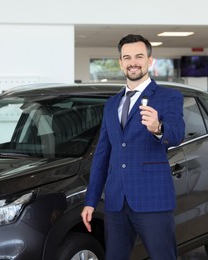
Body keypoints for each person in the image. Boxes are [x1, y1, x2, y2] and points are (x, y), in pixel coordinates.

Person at [81, 34, 185, 260]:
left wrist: (158, 128)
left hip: (153, 199)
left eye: (139, 56)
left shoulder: (168, 97)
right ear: (120, 63)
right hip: (116, 202)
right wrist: (91, 200)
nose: (133, 62)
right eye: (127, 57)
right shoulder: (111, 104)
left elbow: (177, 135)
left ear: (150, 61)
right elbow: (102, 155)